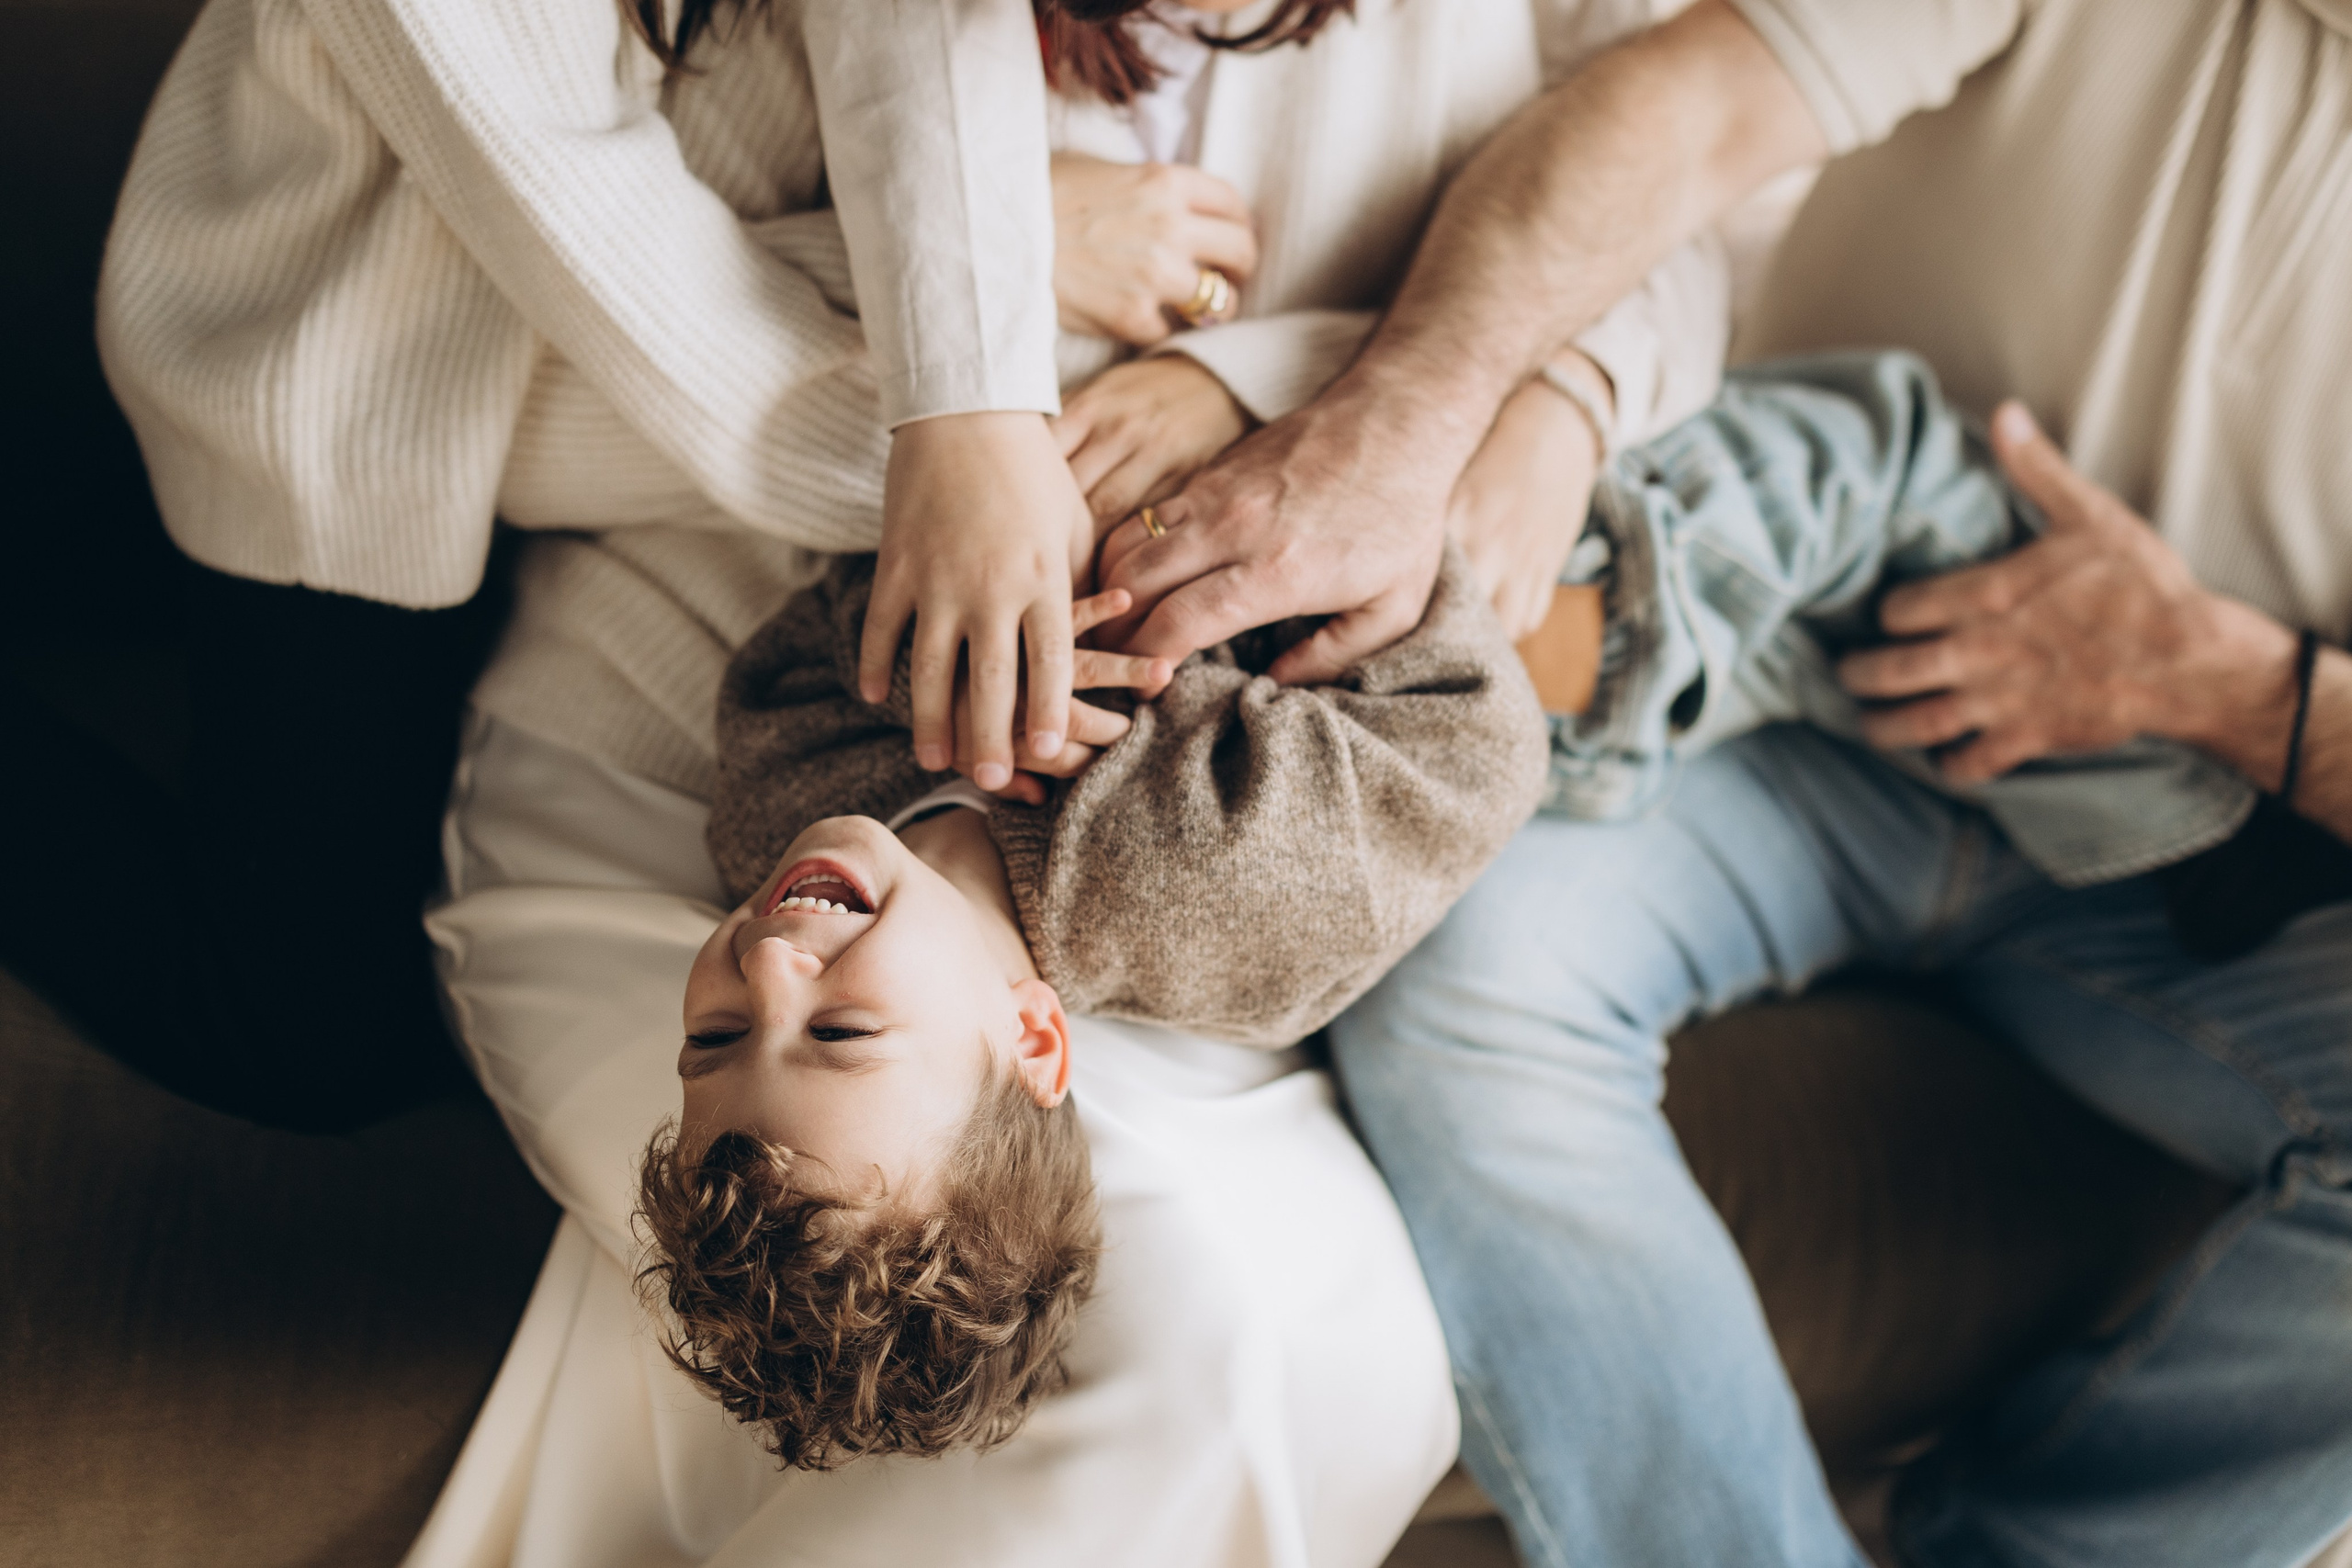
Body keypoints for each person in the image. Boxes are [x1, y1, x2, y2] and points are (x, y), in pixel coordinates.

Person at [411, 1, 1739, 1563]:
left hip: (1085, 817)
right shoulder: (852, 57)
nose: (766, 964)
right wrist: (1019, 344)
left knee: (1301, 1345)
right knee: (1169, 1341)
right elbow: (539, 391)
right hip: (681, 701)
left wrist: (1417, 405)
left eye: (726, 1025)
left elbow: (1687, 203)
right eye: (805, 1019)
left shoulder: (944, 876)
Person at [1106, 2, 2352, 1564]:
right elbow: (1682, 105)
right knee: (1466, 971)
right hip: (1782, 690)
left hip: (2209, 857)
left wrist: (2244, 691)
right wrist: (1412, 420)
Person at [44, 0, 1079, 1131]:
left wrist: (977, 390)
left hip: (578, 356)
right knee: (307, 1038)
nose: (775, 973)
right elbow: (589, 239)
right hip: (347, 384)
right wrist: (993, 390)